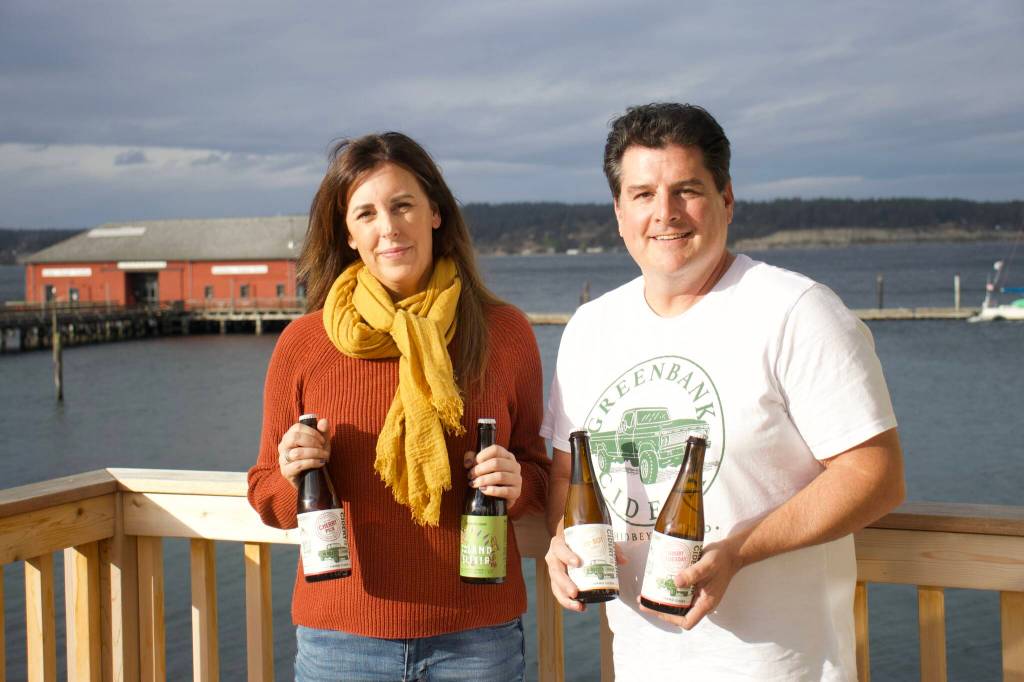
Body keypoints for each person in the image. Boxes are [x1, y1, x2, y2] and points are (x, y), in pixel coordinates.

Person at [542, 103, 905, 680]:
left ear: (726, 200)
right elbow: (566, 475)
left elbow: (875, 475)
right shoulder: (591, 328)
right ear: (618, 212)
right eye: (642, 195)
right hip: (641, 664)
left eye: (686, 190)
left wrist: (739, 551)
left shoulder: (796, 311)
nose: (665, 214)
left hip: (783, 667)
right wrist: (562, 540)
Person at [247, 132, 549, 681]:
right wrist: (293, 475)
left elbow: (542, 480)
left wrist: (517, 481)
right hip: (341, 641)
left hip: (477, 640)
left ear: (435, 212)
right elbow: (266, 494)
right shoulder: (303, 343)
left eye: (402, 205)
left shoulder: (505, 333)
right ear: (349, 232)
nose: (388, 226)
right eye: (366, 212)